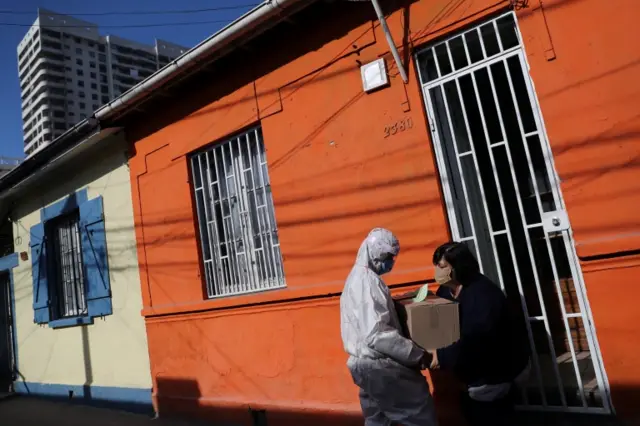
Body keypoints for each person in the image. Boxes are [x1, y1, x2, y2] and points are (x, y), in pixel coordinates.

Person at [340, 228, 438, 426]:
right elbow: (376, 334)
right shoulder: (367, 283)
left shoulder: (359, 278)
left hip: (366, 365)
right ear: (373, 251)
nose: (390, 262)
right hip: (381, 367)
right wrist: (417, 354)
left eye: (392, 257)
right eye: (387, 256)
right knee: (418, 414)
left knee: (378, 420)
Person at [428, 242, 530, 426]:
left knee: (491, 415)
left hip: (494, 371)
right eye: (436, 266)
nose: (437, 271)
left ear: (459, 266)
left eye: (442, 267)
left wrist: (440, 356)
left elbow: (476, 338)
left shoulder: (482, 295)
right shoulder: (446, 290)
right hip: (467, 374)